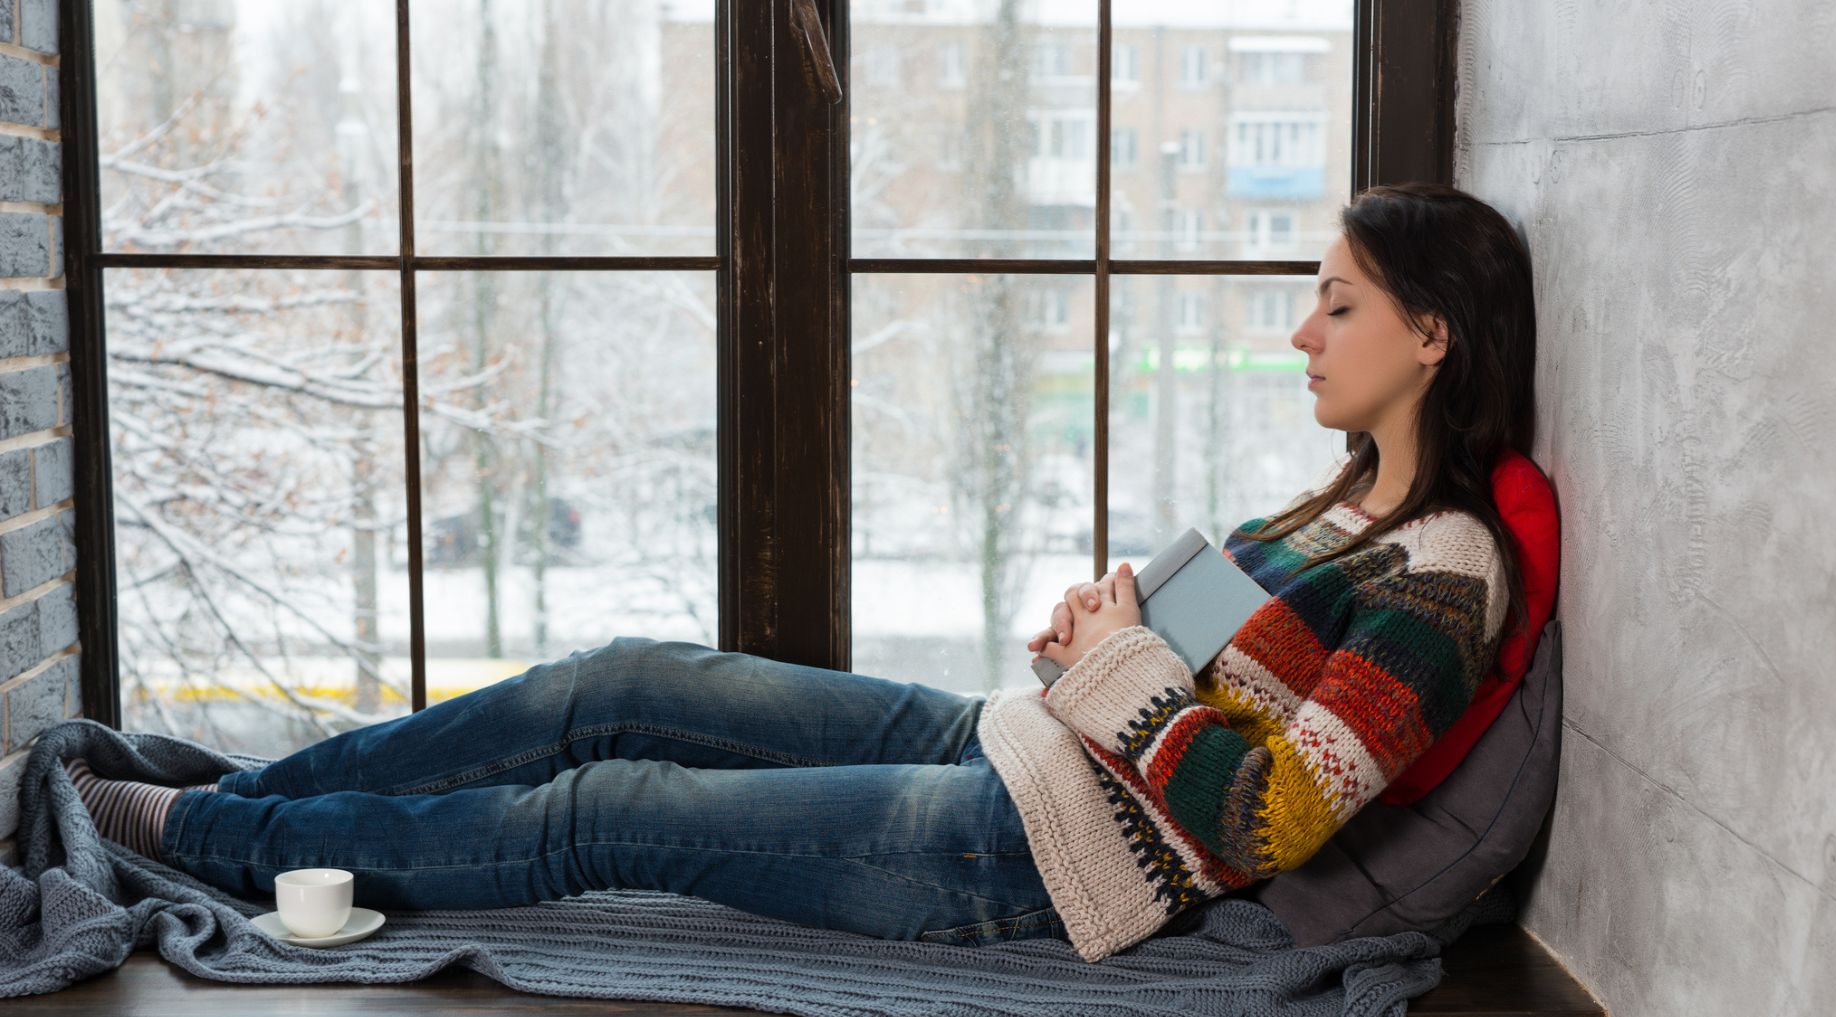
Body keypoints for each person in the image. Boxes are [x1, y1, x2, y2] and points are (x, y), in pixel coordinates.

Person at [65, 180, 1538, 963]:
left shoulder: (1445, 571)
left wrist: (1122, 665)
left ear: (1432, 335)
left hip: (1039, 851)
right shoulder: (1329, 507)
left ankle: (214, 842)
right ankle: (241, 800)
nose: (1303, 333)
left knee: (608, 811)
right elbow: (1136, 655)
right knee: (623, 680)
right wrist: (1104, 629)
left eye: (1336, 304)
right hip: (1012, 744)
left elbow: (1271, 815)